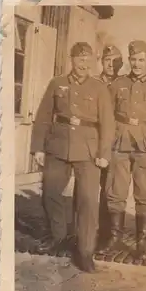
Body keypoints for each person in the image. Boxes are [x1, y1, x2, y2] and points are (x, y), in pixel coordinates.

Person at [31, 42, 115, 272]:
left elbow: (108, 123)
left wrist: (104, 153)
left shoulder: (99, 88)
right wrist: (38, 147)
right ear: (72, 60)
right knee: (50, 192)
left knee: (87, 201)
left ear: (92, 62)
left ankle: (85, 251)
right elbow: (44, 116)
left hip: (89, 151)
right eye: (79, 59)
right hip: (58, 146)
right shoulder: (57, 83)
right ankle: (61, 239)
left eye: (88, 59)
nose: (83, 64)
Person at [100, 40, 146, 258]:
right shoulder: (118, 84)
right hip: (120, 143)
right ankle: (114, 238)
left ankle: (142, 242)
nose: (137, 64)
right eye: (133, 60)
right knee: (115, 192)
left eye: (141, 60)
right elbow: (107, 116)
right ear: (128, 60)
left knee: (145, 193)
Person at [96, 44, 124, 247]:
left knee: (110, 188)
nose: (111, 65)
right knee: (88, 187)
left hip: (114, 144)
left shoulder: (124, 85)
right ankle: (86, 229)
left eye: (115, 62)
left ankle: (106, 233)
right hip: (94, 141)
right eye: (107, 61)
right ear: (101, 62)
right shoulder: (93, 83)